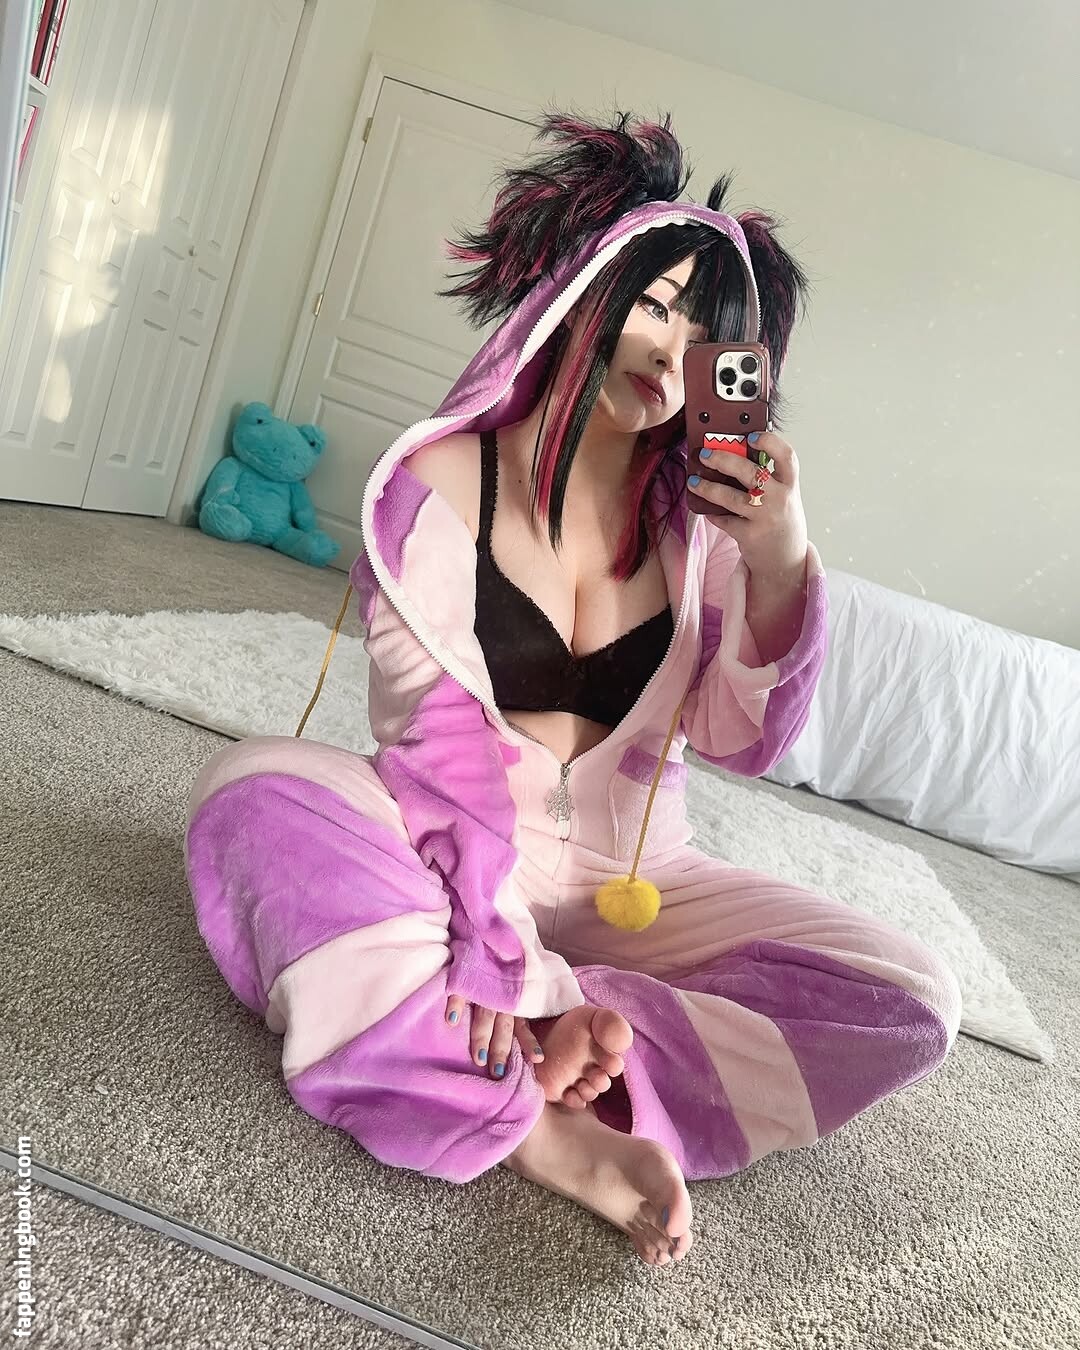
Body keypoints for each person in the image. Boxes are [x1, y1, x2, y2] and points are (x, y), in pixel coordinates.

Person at [184, 113, 961, 1267]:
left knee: (911, 995)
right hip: (447, 852)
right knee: (255, 794)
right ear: (581, 285)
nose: (672, 351)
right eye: (655, 304)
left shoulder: (701, 535)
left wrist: (779, 559)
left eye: (706, 336)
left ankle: (575, 1034)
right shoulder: (436, 484)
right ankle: (548, 1127)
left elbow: (740, 738)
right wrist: (497, 954)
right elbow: (438, 749)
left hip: (638, 880)